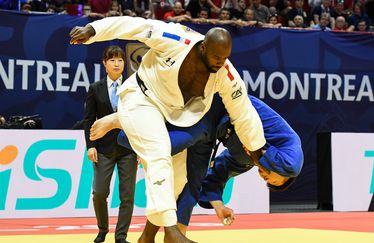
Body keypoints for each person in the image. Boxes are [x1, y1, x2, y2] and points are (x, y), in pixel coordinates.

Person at [69, 17, 266, 243]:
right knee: (158, 151)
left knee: (178, 175)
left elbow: (243, 112)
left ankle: (147, 237)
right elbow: (135, 26)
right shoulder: (176, 38)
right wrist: (93, 30)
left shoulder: (226, 73)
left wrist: (257, 152)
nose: (220, 63)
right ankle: (172, 231)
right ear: (203, 47)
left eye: (224, 58)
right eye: (216, 57)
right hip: (141, 99)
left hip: (175, 115)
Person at [90, 94, 304, 238]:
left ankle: (175, 238)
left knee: (193, 185)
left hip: (212, 133)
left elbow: (218, 175)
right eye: (272, 174)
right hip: (219, 107)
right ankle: (122, 119)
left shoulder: (248, 161)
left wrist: (219, 206)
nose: (263, 174)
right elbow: (291, 166)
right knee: (178, 142)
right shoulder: (289, 144)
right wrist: (262, 154)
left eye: (264, 178)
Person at [83, 45, 138, 243]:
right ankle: (102, 230)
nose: (117, 63)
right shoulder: (95, 88)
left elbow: (139, 117)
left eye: (120, 60)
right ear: (104, 63)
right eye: (112, 60)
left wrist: (140, 147)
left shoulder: (133, 87)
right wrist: (90, 145)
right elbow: (89, 119)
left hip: (128, 149)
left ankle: (121, 236)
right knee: (99, 193)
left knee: (127, 196)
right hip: (103, 148)